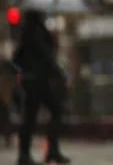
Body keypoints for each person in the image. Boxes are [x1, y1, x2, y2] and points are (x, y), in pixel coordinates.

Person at [13, 10, 70, 165]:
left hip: (33, 80)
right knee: (46, 112)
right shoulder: (36, 32)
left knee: (35, 115)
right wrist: (59, 73)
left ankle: (47, 151)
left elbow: (17, 58)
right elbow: (45, 56)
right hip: (38, 81)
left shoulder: (28, 32)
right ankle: (34, 153)